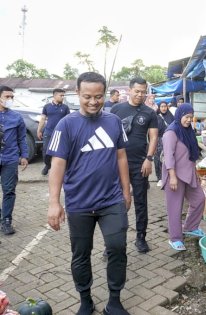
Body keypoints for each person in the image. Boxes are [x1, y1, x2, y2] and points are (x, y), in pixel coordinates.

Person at [46, 72, 131, 315]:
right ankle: (85, 299)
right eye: (87, 96)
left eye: (98, 96)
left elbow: (121, 156)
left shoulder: (113, 121)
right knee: (81, 254)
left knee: (117, 247)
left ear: (104, 94)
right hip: (79, 204)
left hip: (111, 200)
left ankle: (114, 300)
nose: (93, 101)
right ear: (77, 94)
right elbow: (57, 165)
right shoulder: (66, 125)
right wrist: (54, 202)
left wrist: (127, 191)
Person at [111, 77, 158, 253]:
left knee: (141, 203)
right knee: (115, 203)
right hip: (117, 164)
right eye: (137, 91)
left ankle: (141, 238)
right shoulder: (116, 109)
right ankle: (114, 242)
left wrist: (149, 158)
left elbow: (153, 137)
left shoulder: (150, 112)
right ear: (129, 90)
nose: (140, 94)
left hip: (140, 164)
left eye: (143, 91)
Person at [161, 103, 205, 251]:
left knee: (199, 199)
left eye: (191, 118)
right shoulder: (171, 133)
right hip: (175, 175)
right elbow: (168, 156)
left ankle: (190, 227)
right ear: (179, 115)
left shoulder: (188, 131)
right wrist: (172, 176)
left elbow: (191, 155)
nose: (188, 120)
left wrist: (196, 172)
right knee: (175, 207)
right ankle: (175, 238)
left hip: (189, 173)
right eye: (186, 117)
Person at [0, 86, 29, 235]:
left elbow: (21, 138)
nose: (10, 99)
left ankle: (6, 221)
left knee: (9, 191)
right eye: (7, 96)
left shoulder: (16, 117)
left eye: (12, 97)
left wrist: (24, 155)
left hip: (10, 159)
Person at [37, 88, 70, 175]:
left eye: (63, 95)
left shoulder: (65, 108)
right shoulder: (47, 106)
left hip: (61, 133)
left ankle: (59, 169)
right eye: (61, 95)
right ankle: (48, 165)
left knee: (60, 152)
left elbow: (68, 121)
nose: (63, 97)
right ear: (55, 96)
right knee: (46, 152)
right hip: (48, 132)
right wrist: (39, 130)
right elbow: (43, 119)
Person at [155, 101, 174, 187]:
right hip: (159, 140)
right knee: (159, 159)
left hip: (169, 140)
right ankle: (160, 178)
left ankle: (169, 176)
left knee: (169, 158)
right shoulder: (156, 117)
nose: (163, 108)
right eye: (162, 106)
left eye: (165, 106)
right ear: (159, 108)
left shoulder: (171, 116)